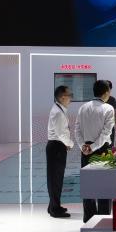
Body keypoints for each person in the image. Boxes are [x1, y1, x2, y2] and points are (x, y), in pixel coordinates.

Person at [78, 80, 116, 222]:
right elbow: (106, 133)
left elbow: (76, 130)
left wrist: (83, 146)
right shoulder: (108, 108)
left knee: (88, 185)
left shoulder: (83, 107)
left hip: (85, 150)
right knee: (104, 186)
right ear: (106, 92)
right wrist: (93, 147)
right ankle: (103, 217)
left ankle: (89, 217)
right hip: (102, 150)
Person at [45, 85, 73, 219]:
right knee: (55, 179)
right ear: (62, 97)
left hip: (58, 146)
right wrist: (70, 144)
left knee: (57, 178)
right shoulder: (57, 112)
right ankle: (54, 209)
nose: (71, 98)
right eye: (69, 95)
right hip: (56, 147)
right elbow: (61, 133)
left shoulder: (59, 109)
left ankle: (53, 205)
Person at [104, 80, 116, 146]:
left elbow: (115, 114)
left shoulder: (112, 99)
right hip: (100, 128)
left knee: (110, 146)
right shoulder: (98, 99)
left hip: (110, 127)